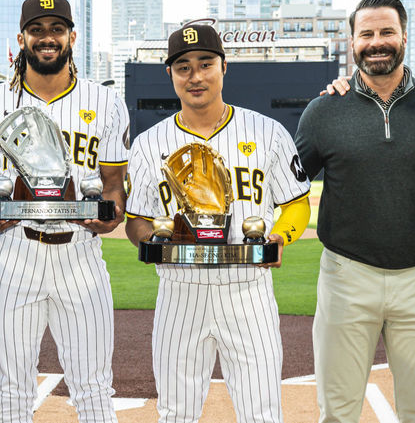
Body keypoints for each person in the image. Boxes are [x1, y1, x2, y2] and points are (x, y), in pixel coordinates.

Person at [125, 24, 311, 423]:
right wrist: (152, 242)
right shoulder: (148, 144)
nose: (195, 76)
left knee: (262, 410)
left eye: (205, 64)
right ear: (171, 75)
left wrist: (282, 237)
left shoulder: (267, 133)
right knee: (175, 413)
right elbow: (136, 220)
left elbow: (297, 205)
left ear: (224, 67)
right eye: (183, 67)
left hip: (247, 288)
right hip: (179, 288)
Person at [294, 0, 415, 422]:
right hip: (347, 276)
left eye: (386, 31)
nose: (377, 42)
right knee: (337, 411)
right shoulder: (323, 110)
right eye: (366, 33)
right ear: (352, 42)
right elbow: (288, 182)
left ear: (404, 36)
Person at [0, 0, 128, 423]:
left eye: (56, 29)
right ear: (22, 38)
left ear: (72, 36)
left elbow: (113, 186)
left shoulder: (106, 101)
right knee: (12, 390)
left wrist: (108, 215)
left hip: (81, 253)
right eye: (37, 30)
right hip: (15, 251)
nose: (47, 38)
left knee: (93, 388)